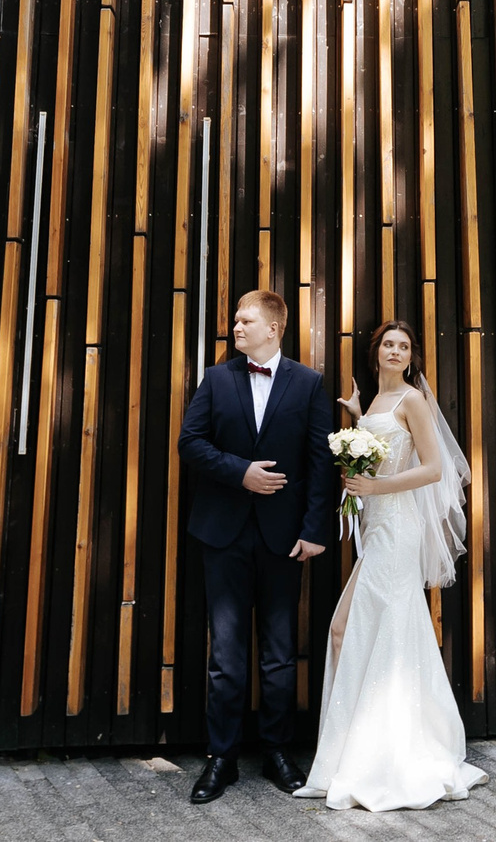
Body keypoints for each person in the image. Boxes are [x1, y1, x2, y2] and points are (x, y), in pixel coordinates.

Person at [295, 318, 484, 811]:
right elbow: (381, 450)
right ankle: (362, 749)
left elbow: (434, 469)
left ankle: (382, 756)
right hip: (375, 529)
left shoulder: (413, 401)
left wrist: (375, 487)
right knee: (359, 629)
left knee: (356, 628)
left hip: (397, 529)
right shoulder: (377, 402)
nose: (395, 352)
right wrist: (358, 419)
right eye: (388, 345)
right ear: (375, 352)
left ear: (411, 356)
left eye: (403, 346)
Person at [174, 289, 336, 805]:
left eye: (245, 322)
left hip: (284, 539)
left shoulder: (309, 384)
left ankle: (278, 751)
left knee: (279, 653)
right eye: (235, 322)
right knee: (225, 653)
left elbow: (318, 465)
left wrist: (314, 530)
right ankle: (221, 758)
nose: (236, 329)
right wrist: (239, 472)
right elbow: (190, 443)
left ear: (274, 328)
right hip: (222, 533)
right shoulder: (218, 379)